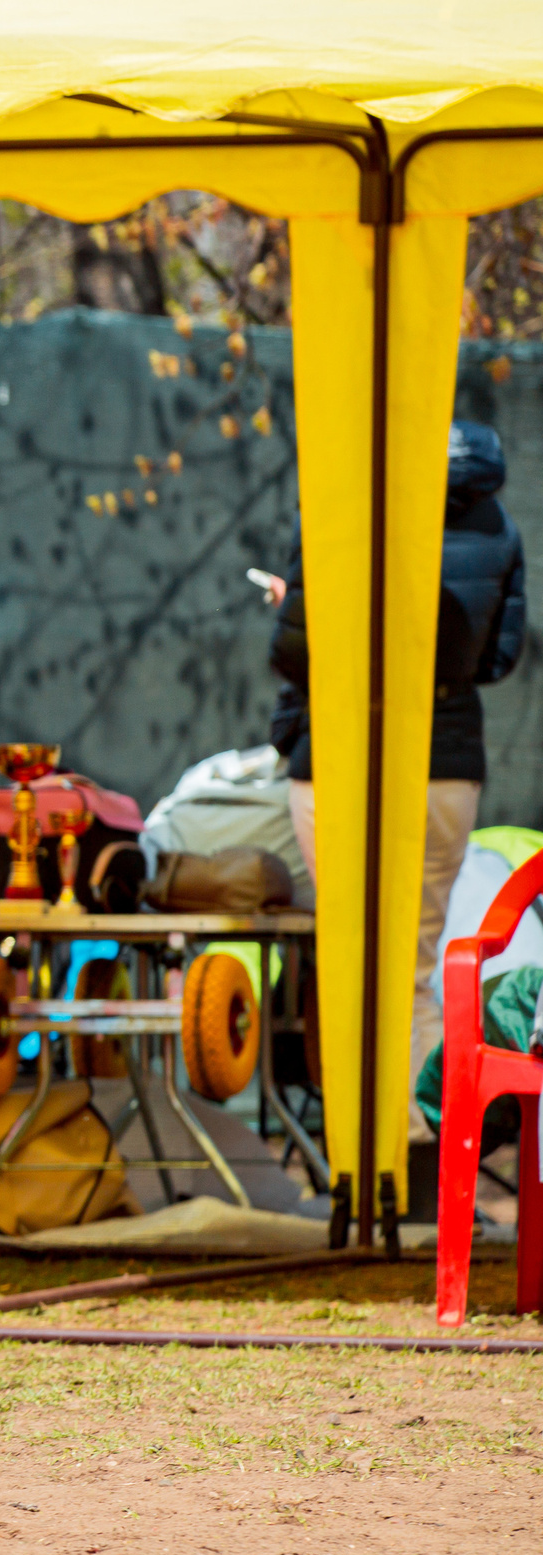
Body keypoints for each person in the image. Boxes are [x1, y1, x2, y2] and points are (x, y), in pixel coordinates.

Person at [265, 418, 527, 1141]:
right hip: (448, 764)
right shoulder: (499, 528)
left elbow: (294, 651)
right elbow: (499, 658)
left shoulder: (347, 515)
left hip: (345, 760)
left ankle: (357, 1148)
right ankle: (420, 1151)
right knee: (416, 963)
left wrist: (293, 598)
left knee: (353, 957)